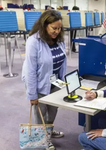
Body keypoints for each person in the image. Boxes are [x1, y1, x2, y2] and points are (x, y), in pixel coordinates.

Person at [22, 10, 67, 150]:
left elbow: (62, 62)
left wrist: (62, 83)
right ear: (44, 25)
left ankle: (48, 131)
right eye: (54, 28)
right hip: (39, 82)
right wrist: (32, 95)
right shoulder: (34, 42)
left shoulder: (59, 40)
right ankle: (41, 137)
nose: (57, 31)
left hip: (55, 82)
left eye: (59, 28)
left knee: (53, 110)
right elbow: (30, 70)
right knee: (40, 113)